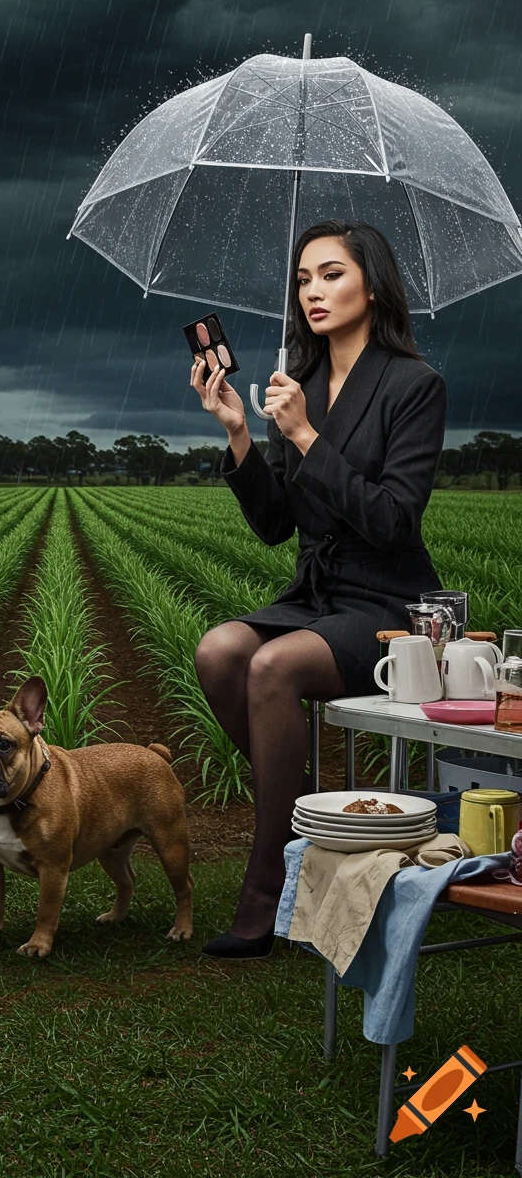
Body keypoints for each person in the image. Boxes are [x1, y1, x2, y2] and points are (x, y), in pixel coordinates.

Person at [189, 219, 447, 960]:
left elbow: (393, 521)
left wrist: (306, 439)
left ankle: (267, 885)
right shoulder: (293, 387)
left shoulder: (414, 385)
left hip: (389, 604)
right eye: (303, 279)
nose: (312, 291)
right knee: (219, 652)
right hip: (316, 595)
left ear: (373, 283)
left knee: (273, 666)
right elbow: (277, 525)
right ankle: (316, 828)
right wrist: (242, 433)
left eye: (331, 274)